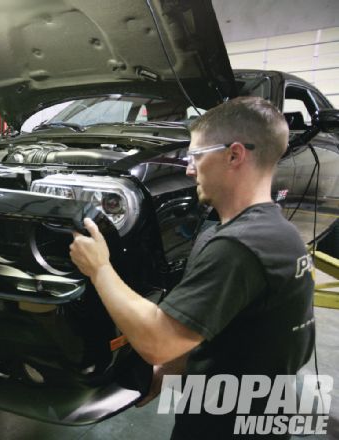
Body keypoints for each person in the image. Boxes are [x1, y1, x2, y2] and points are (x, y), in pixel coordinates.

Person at [69, 96, 315, 439]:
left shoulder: (238, 247)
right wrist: (165, 375)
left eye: (196, 155)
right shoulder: (279, 233)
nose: (188, 168)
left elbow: (157, 340)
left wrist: (100, 268)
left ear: (234, 155)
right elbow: (211, 327)